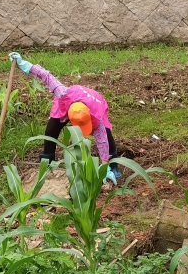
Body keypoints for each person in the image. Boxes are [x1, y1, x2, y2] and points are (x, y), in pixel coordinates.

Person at [8, 52, 120, 185]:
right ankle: (48, 162)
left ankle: (114, 165)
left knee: (107, 135)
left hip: (94, 101)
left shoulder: (96, 117)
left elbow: (102, 142)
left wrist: (104, 166)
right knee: (51, 131)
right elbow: (46, 76)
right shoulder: (63, 93)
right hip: (69, 103)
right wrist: (24, 64)